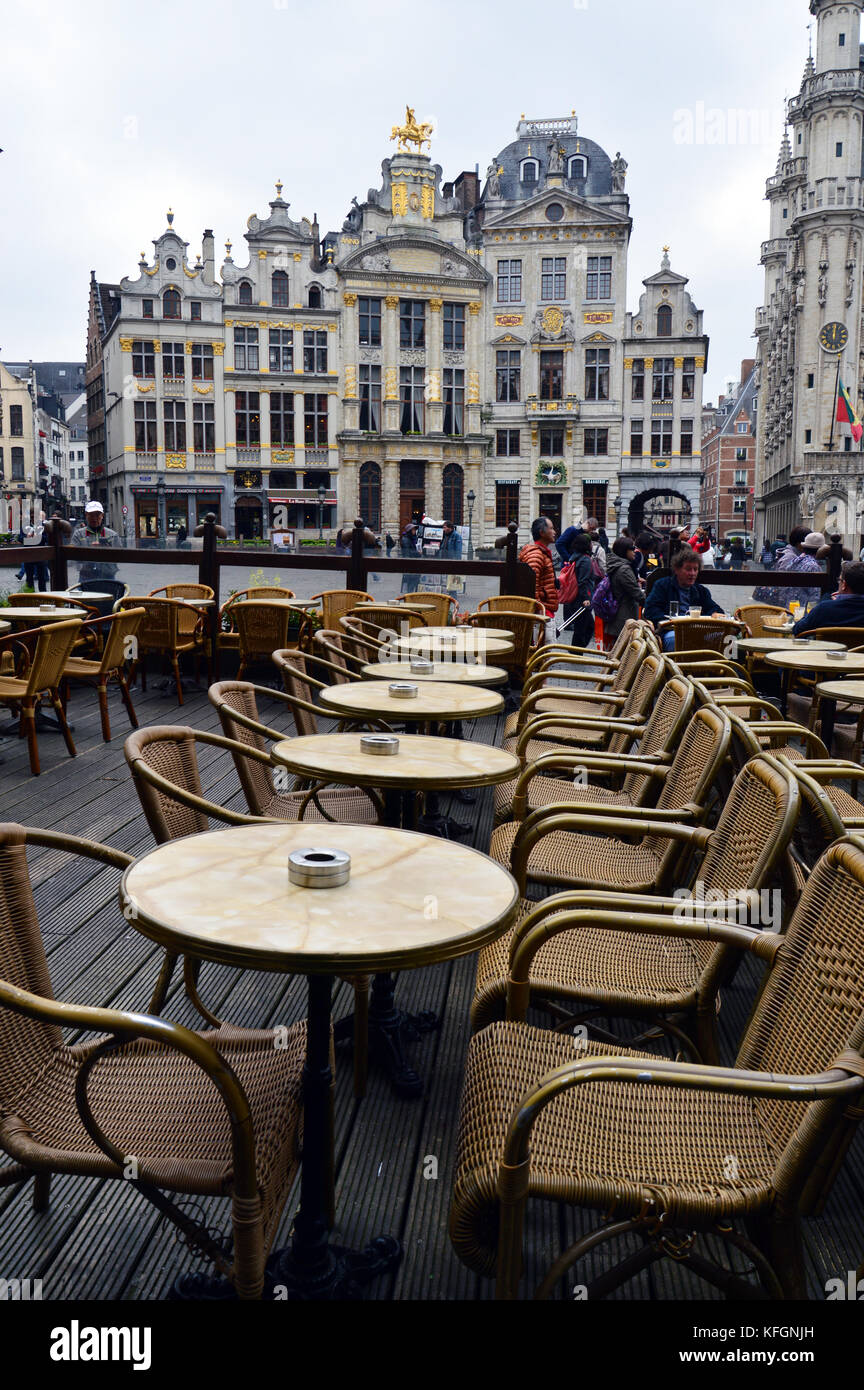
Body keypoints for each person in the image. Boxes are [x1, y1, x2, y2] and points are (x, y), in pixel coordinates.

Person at [644, 547, 725, 650]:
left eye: (695, 569)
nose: (692, 573)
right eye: (688, 569)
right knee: (676, 639)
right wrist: (669, 621)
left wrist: (714, 613)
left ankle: (712, 665)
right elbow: (650, 610)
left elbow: (714, 608)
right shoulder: (663, 586)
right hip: (671, 631)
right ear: (677, 570)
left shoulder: (700, 590)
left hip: (697, 631)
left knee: (726, 638)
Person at [754, 527, 824, 610]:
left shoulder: (798, 557)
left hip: (792, 604)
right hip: (795, 605)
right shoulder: (793, 557)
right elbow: (784, 580)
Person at [792, 560, 864, 635]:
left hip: (828, 647)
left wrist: (833, 603)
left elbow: (797, 630)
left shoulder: (824, 609)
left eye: (839, 580)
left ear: (844, 585)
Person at [519, 517, 559, 628]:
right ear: (542, 532)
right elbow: (531, 587)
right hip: (541, 614)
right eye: (551, 528)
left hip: (544, 610)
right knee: (545, 645)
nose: (555, 532)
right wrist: (540, 612)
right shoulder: (536, 555)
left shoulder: (541, 553)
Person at [604, 536, 645, 642]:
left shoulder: (617, 565)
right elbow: (636, 593)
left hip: (619, 615)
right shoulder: (624, 569)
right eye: (632, 548)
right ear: (624, 551)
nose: (635, 551)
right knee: (623, 653)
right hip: (624, 617)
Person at [70, 501, 121, 583]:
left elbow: (120, 556)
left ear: (102, 516)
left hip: (108, 576)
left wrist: (107, 550)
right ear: (86, 515)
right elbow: (72, 556)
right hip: (86, 576)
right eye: (91, 515)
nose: (94, 518)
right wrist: (89, 551)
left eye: (97, 515)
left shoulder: (112, 535)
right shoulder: (78, 534)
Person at [561, 531, 595, 648]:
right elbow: (583, 581)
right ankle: (576, 651)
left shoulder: (575, 557)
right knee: (585, 627)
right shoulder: (585, 560)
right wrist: (585, 598)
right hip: (581, 598)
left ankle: (576, 650)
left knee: (582, 626)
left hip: (575, 597)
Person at [400, 521, 421, 593]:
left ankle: (410, 594)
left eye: (415, 530)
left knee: (414, 580)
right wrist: (417, 553)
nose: (415, 531)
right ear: (409, 531)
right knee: (411, 580)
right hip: (410, 564)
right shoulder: (406, 540)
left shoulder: (412, 538)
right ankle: (409, 595)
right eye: (413, 530)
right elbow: (407, 552)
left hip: (413, 562)